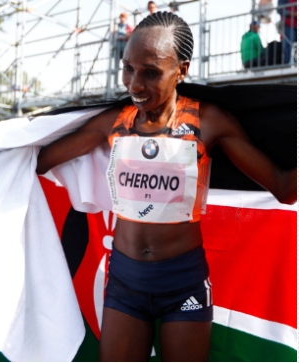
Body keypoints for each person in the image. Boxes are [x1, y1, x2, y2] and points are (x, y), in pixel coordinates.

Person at [36, 11, 296, 362]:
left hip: (183, 284)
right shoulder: (112, 123)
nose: (134, 85)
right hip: (125, 284)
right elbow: (34, 163)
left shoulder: (207, 122)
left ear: (182, 71)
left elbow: (283, 187)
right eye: (128, 68)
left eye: (150, 72)